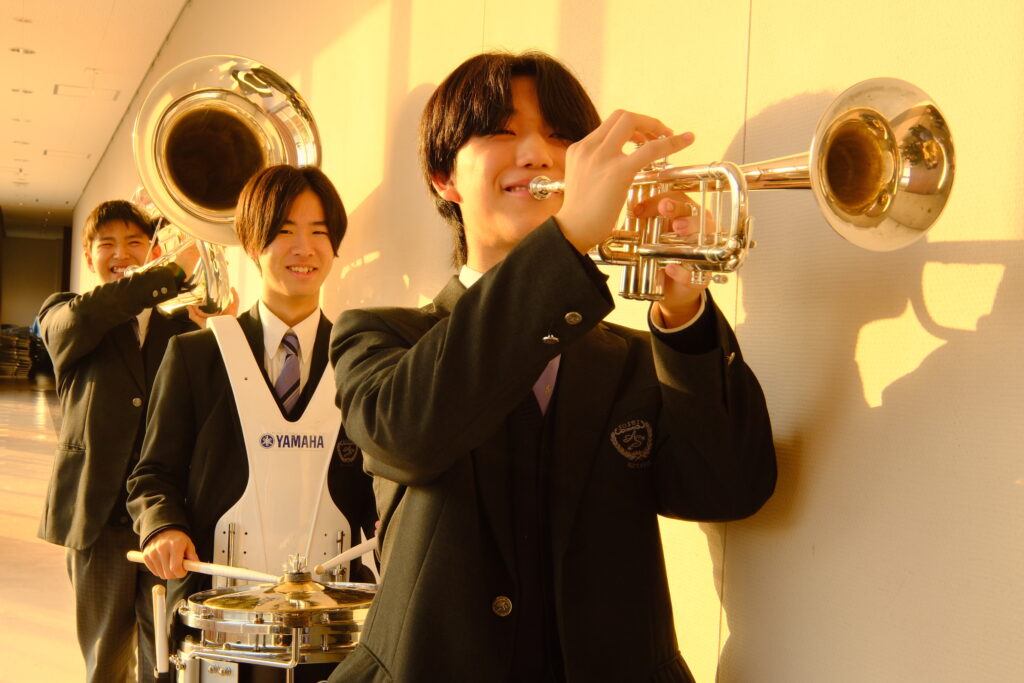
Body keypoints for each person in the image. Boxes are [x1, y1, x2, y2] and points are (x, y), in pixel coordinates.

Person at [327, 51, 777, 682]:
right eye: (502, 131)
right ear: (443, 177)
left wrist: (684, 313)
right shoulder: (380, 335)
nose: (538, 154)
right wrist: (563, 242)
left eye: (562, 136)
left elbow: (728, 488)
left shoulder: (636, 360)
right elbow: (407, 435)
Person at [127, 165, 377, 682]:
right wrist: (163, 526)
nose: (304, 248)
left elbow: (385, 485)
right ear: (251, 241)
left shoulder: (363, 357)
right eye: (284, 231)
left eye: (319, 232)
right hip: (217, 619)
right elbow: (153, 475)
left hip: (334, 627)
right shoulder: (195, 355)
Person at [37, 199, 200, 682]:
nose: (121, 254)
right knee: (105, 661)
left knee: (164, 658)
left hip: (167, 517)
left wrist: (219, 329)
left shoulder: (182, 325)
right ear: (88, 256)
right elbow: (96, 310)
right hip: (97, 517)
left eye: (134, 242)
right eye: (107, 244)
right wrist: (171, 272)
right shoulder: (67, 314)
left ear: (153, 248)